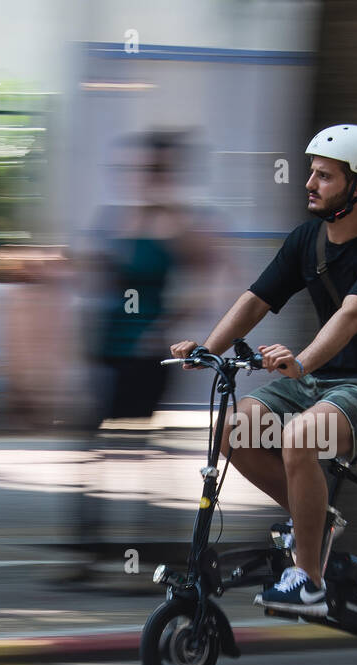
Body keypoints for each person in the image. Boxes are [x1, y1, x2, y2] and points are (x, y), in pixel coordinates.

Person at [170, 124, 357, 616]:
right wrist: (206, 349)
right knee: (234, 430)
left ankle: (309, 580)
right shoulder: (308, 240)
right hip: (319, 383)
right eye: (311, 173)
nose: (309, 183)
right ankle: (315, 524)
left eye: (324, 176)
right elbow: (256, 300)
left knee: (300, 438)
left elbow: (351, 315)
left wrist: (300, 362)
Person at [65, 130, 218, 580]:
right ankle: (88, 555)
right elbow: (93, 276)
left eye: (154, 169)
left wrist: (166, 329)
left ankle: (150, 560)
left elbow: (208, 286)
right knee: (92, 451)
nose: (144, 177)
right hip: (107, 350)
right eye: (138, 168)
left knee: (141, 455)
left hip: (147, 355)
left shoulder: (183, 227)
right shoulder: (116, 219)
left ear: (170, 173)